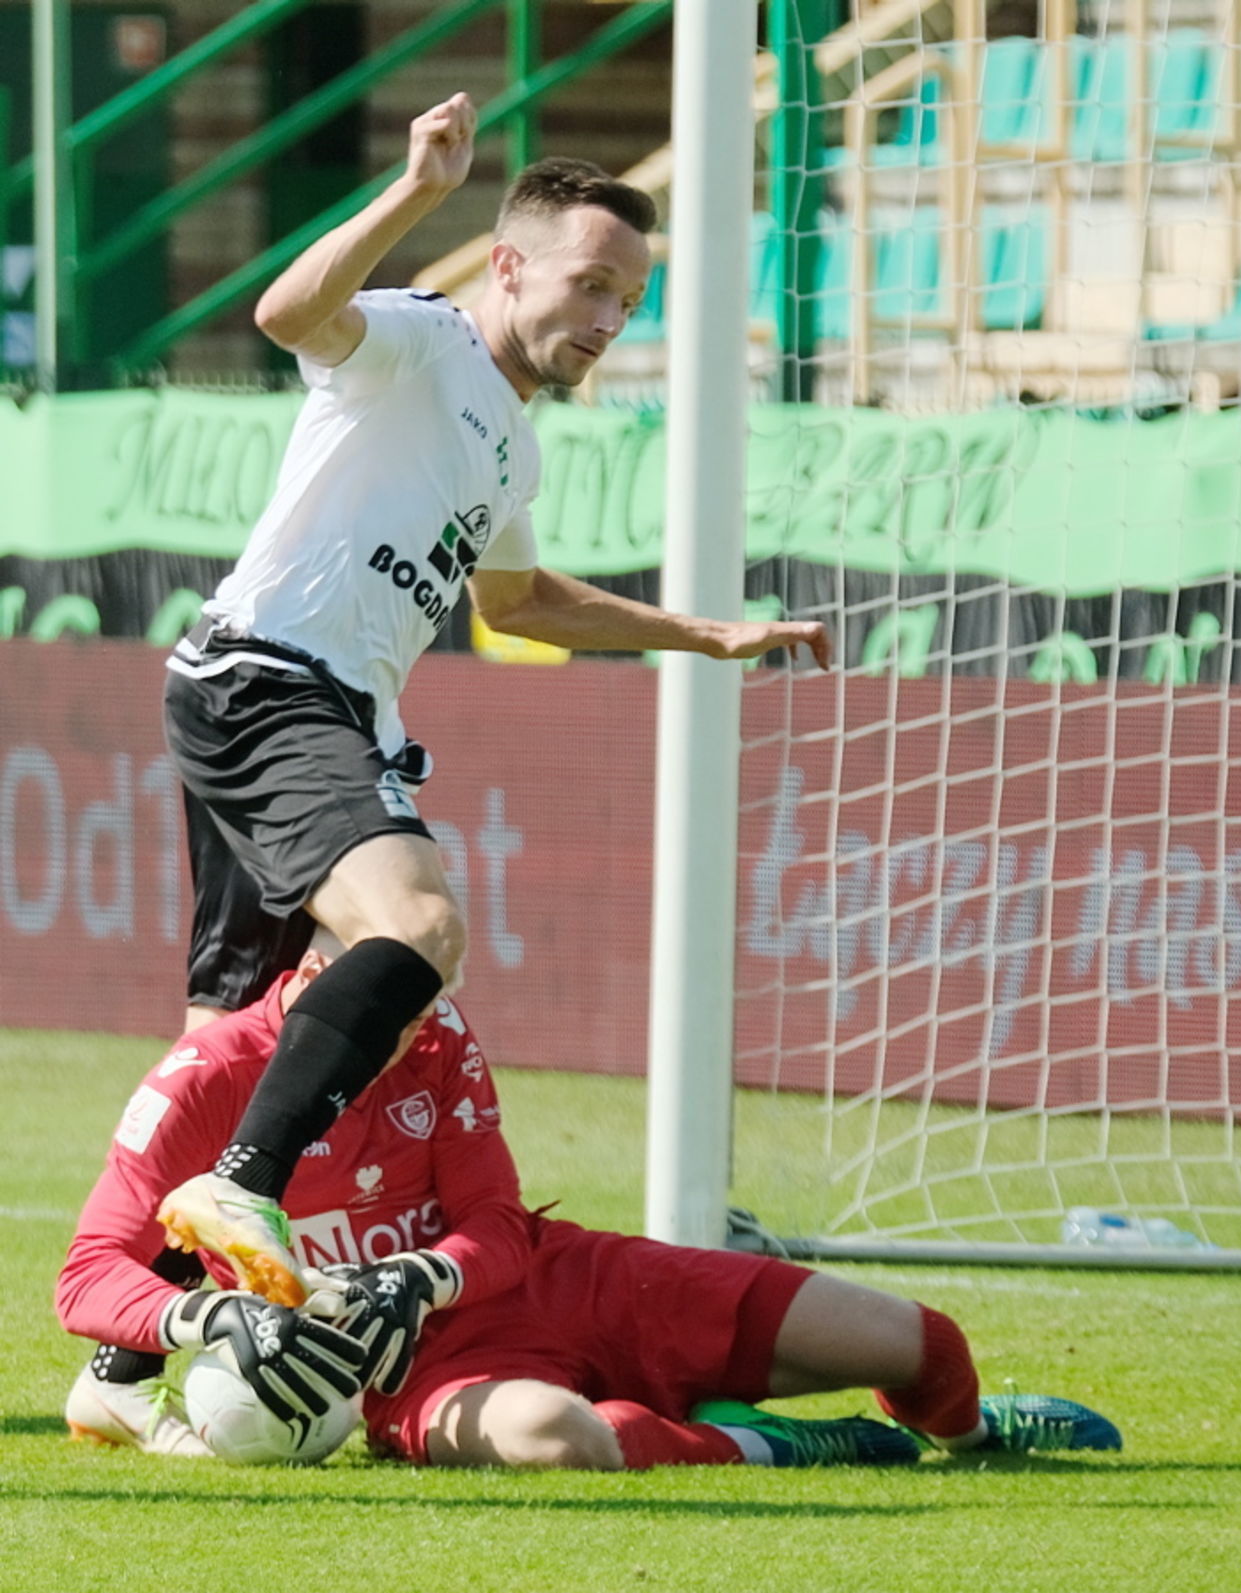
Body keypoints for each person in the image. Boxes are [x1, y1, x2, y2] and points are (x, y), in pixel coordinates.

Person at [157, 91, 833, 1305]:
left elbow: (515, 602)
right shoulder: (421, 339)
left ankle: (133, 1346)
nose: (611, 318)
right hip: (275, 682)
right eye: (591, 285)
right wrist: (422, 192)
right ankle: (246, 1184)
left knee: (230, 1035)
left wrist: (701, 632)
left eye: (630, 300)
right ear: (509, 265)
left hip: (278, 695)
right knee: (416, 933)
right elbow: (286, 313)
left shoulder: (511, 443)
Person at [58, 941, 1122, 1469]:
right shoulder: (206, 1077)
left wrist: (420, 1275)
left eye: (424, 1007)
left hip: (564, 1282)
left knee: (918, 1341)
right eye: (393, 1012)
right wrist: (206, 1316)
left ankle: (981, 1437)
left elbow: (500, 1226)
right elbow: (89, 1271)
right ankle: (778, 1445)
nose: (419, 1029)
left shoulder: (437, 1036)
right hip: (412, 1370)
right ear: (323, 987)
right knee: (562, 1440)